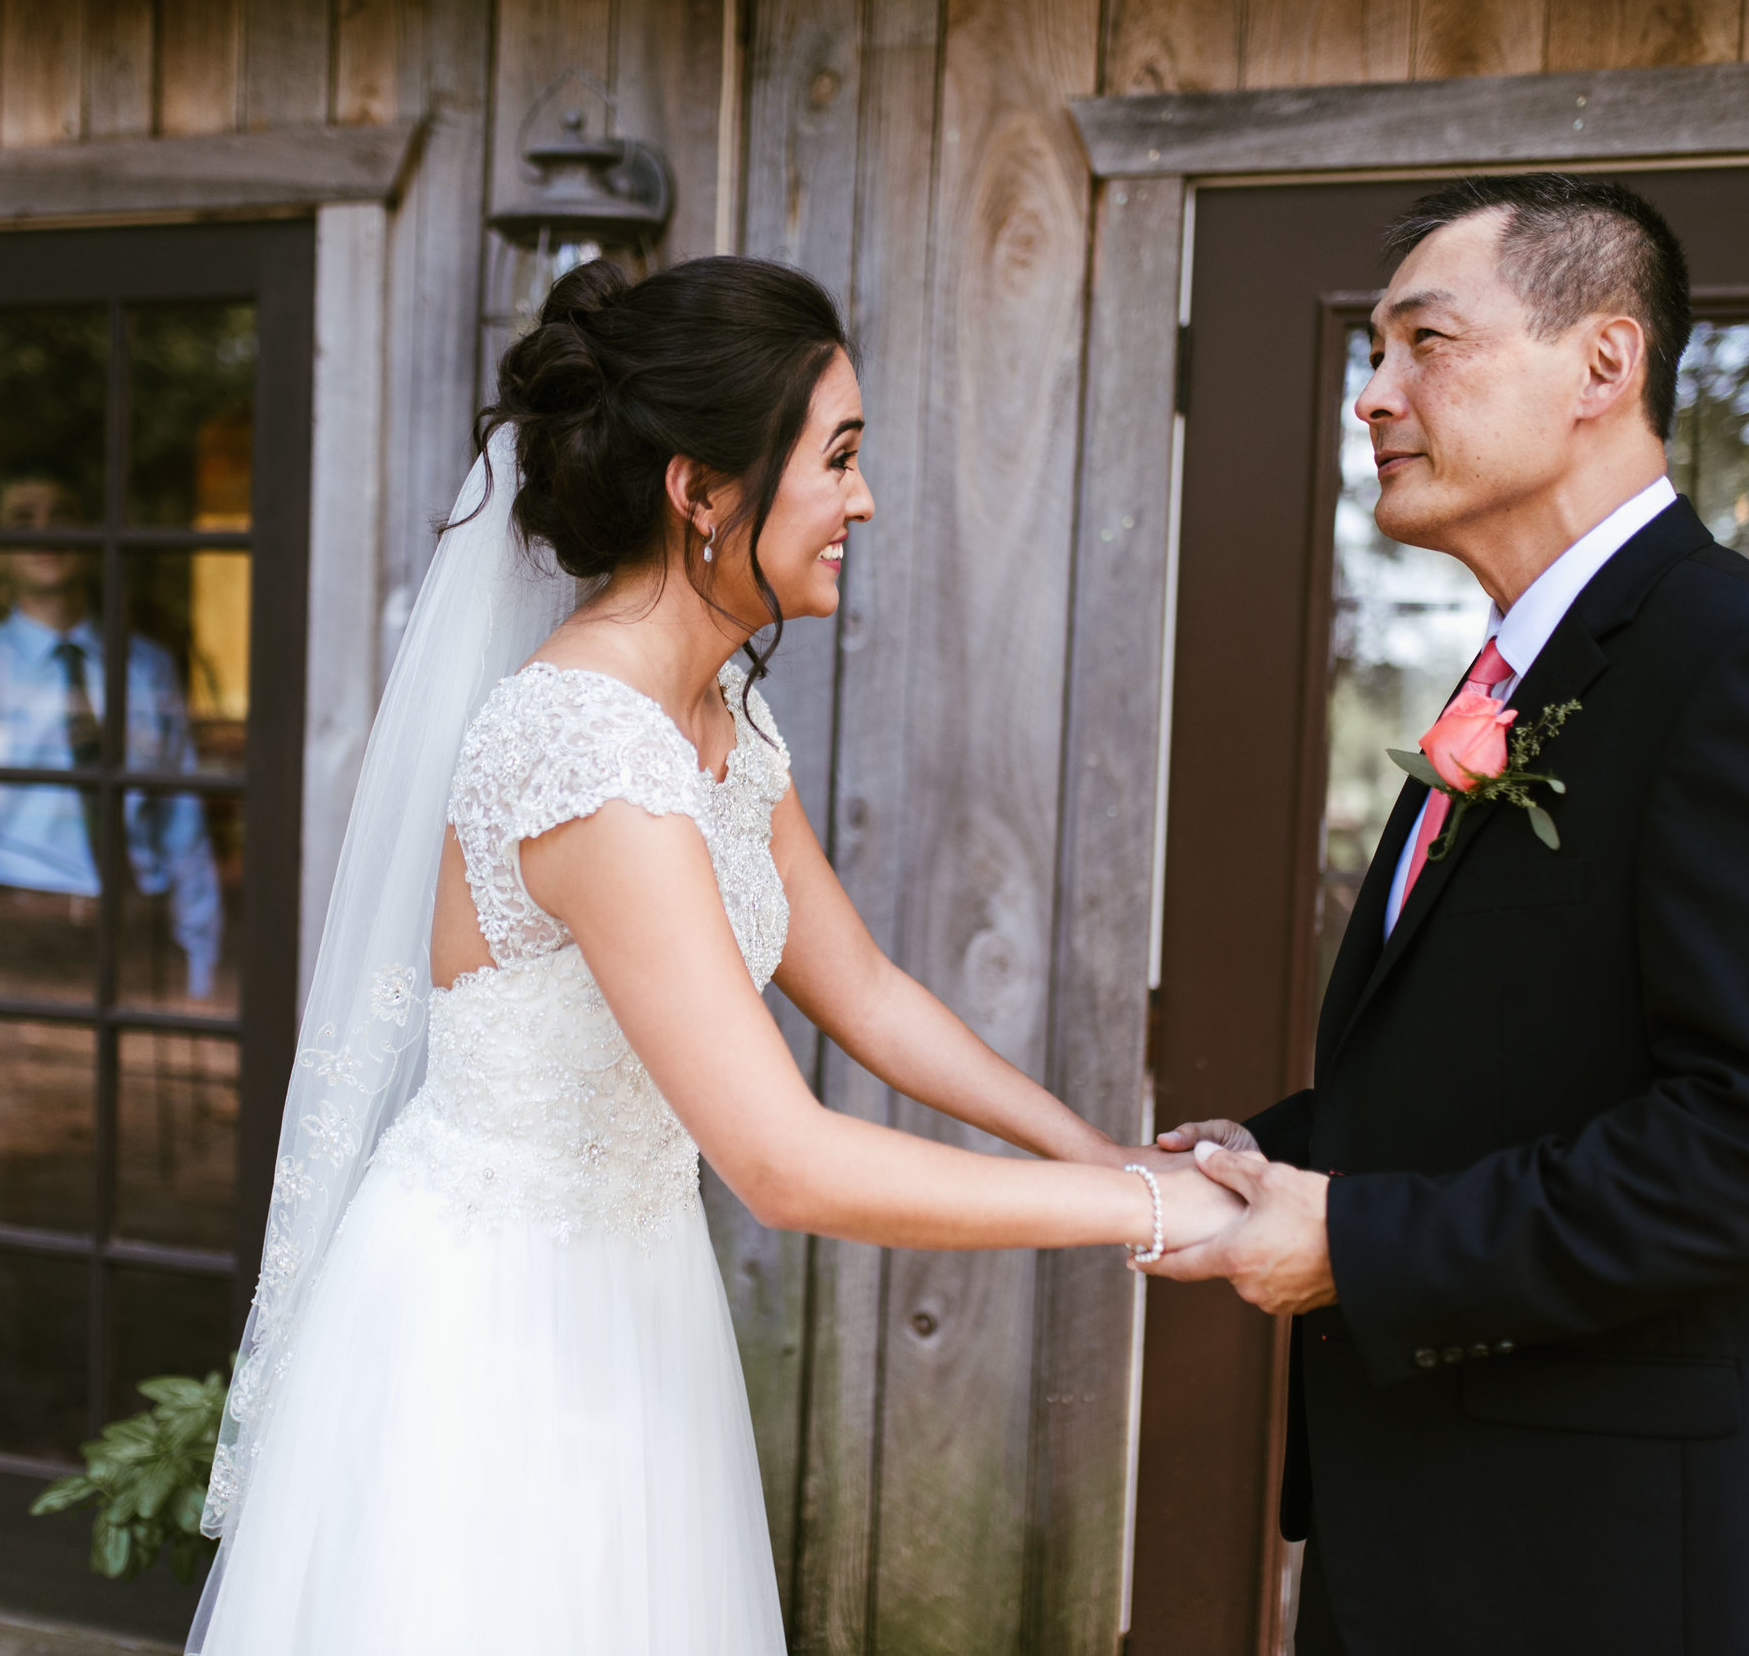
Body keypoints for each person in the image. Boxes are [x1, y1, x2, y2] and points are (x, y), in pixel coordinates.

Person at [186, 256, 1240, 1654]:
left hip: (633, 1284)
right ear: (700, 488)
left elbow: (861, 986)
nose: (863, 499)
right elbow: (784, 1161)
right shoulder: (586, 748)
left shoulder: (715, 713)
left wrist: (1102, 1150)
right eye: (839, 457)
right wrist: (1151, 1218)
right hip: (496, 1322)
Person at [1153, 174, 1749, 1655]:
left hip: (1616, 1564)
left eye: (1424, 342)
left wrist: (1368, 1244)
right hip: (1440, 1517)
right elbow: (1534, 1049)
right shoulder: (1511, 675)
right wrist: (1288, 1158)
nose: (1374, 397)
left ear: (1602, 362)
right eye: (1372, 356)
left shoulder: (1748, 674)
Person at [0, 475, 222, 1092]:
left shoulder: (147, 667)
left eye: (62, 513)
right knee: (29, 1147)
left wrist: (201, 970)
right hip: (21, 941)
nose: (44, 532)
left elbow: (180, 820)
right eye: (21, 519)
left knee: (134, 1149)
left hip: (136, 935)